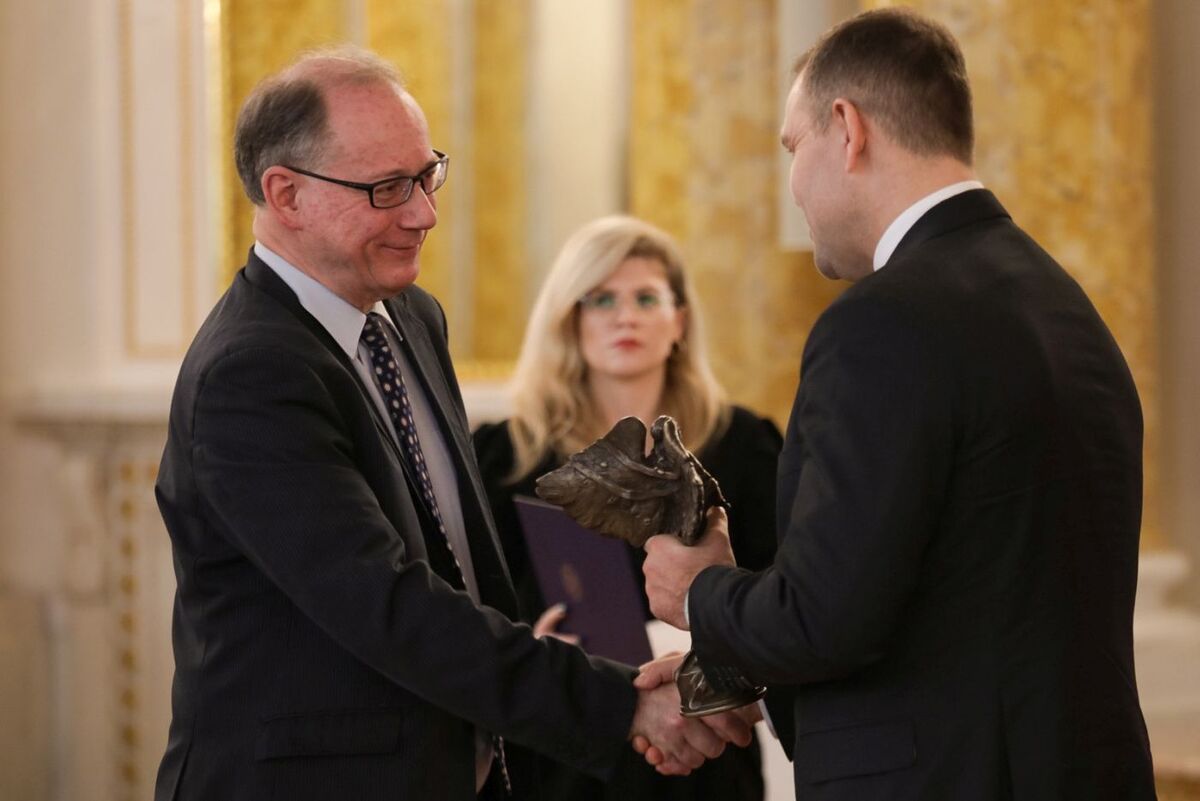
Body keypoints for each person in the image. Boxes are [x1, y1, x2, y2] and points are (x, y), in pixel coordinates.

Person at [153, 47, 751, 801]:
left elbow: (461, 569)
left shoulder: (409, 316)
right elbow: (389, 606)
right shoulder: (251, 374)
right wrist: (620, 702)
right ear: (287, 193)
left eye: (427, 174)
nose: (423, 214)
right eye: (387, 188)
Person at [640, 8, 1157, 800]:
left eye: (792, 148)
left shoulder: (881, 321)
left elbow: (824, 615)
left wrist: (701, 591)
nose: (793, 185)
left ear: (848, 129)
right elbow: (951, 602)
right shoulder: (1064, 305)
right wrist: (740, 672)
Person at [472, 214, 781, 801]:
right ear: (570, 320)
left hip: (702, 739)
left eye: (646, 298)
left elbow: (785, 594)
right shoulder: (505, 454)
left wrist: (714, 657)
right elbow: (469, 606)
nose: (625, 316)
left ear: (679, 320)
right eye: (602, 300)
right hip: (560, 743)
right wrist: (531, 646)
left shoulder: (744, 445)